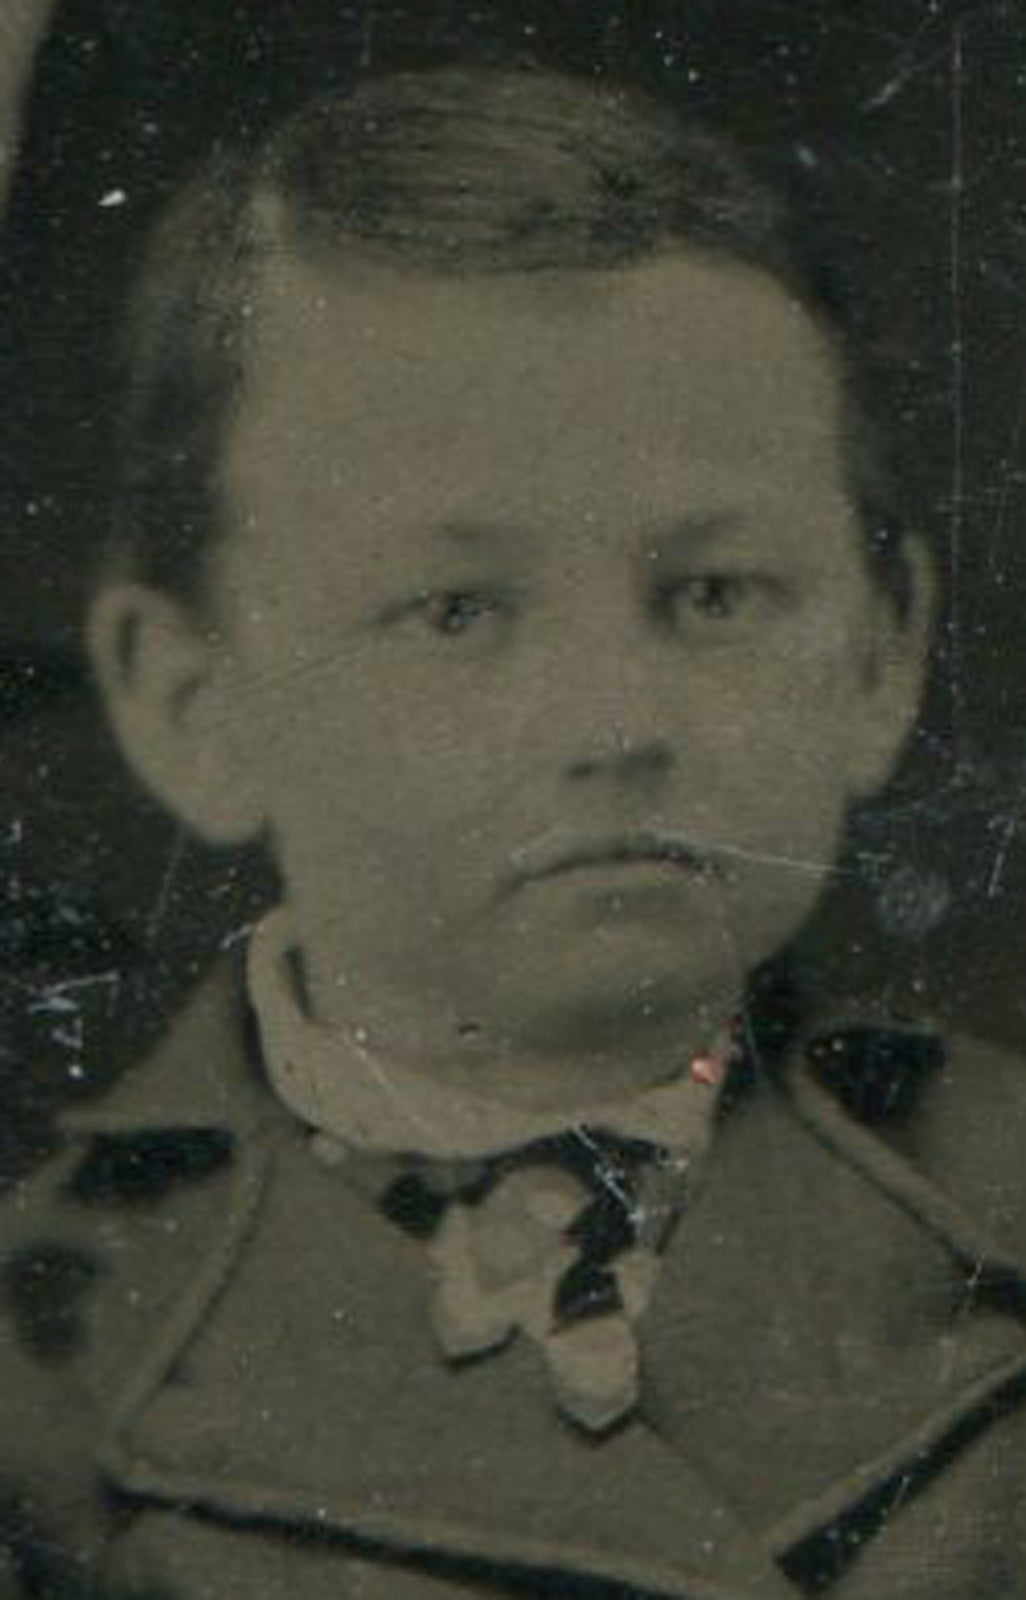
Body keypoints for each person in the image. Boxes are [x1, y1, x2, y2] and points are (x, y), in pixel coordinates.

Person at [2, 60, 1026, 1600]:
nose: (614, 722)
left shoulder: (993, 1204)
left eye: (713, 593)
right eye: (456, 609)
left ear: (882, 652)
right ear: (187, 700)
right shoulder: (45, 1360)